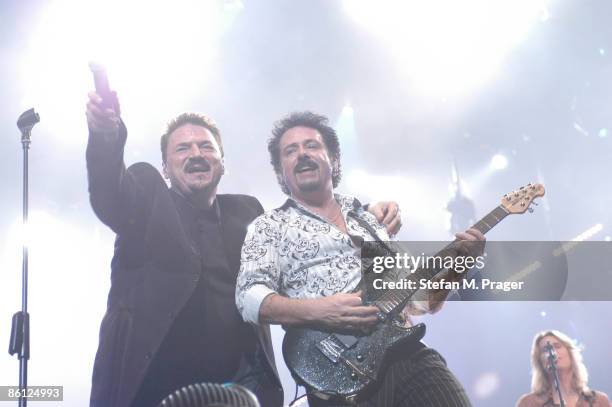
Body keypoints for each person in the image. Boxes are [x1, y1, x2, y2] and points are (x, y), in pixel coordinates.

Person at [85, 93, 401, 407]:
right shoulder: (146, 196)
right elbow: (111, 195)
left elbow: (306, 244)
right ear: (165, 168)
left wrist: (360, 213)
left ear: (222, 162)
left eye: (206, 147)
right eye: (183, 148)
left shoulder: (247, 213)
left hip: (237, 391)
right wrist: (106, 136)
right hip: (152, 386)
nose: (196, 153)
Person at [236, 111, 486, 407]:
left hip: (406, 356)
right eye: (290, 151)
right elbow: (248, 298)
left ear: (333, 159)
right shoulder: (269, 227)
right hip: (336, 377)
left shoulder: (369, 220)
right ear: (281, 172)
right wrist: (319, 310)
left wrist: (459, 265)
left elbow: (423, 301)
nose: (302, 153)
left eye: (312, 146)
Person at [516, 330, 611, 407]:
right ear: (540, 362)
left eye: (557, 346)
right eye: (545, 350)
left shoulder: (598, 401)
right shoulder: (529, 403)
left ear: (570, 354)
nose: (552, 353)